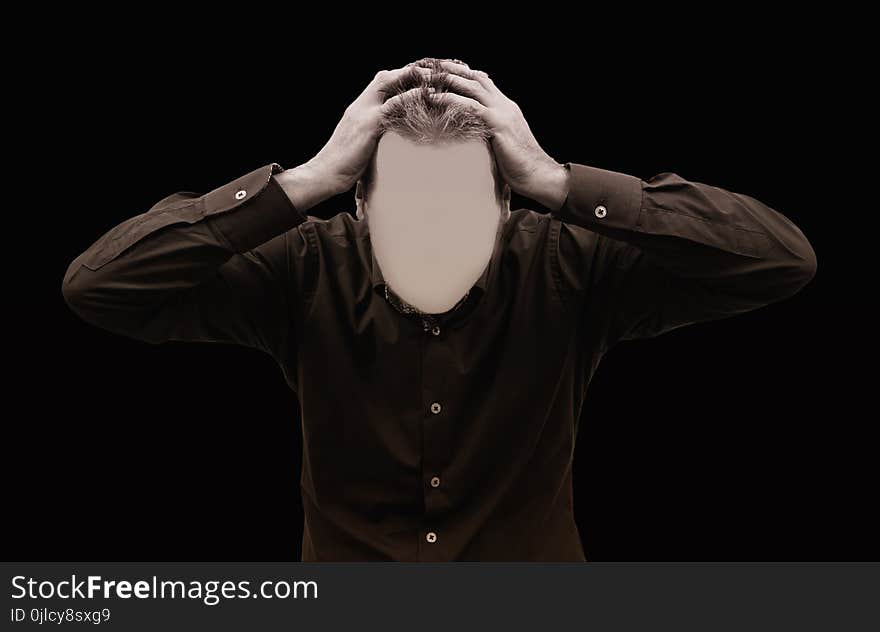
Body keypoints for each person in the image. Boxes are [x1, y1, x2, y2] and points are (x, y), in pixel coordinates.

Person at [61, 57, 817, 561]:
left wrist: (559, 181)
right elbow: (101, 286)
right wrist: (303, 182)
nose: (433, 237)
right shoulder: (305, 265)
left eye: (458, 208)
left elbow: (779, 259)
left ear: (507, 205)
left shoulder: (566, 260)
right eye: (409, 209)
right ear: (355, 207)